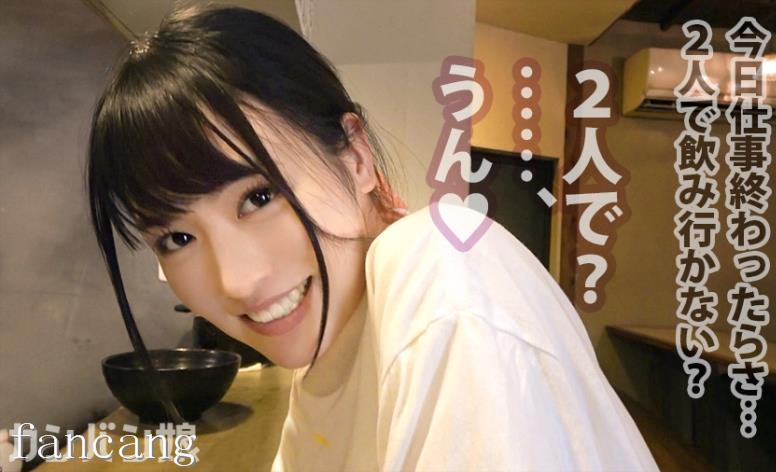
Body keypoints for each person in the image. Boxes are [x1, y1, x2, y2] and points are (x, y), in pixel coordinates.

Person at [87, 5, 659, 471]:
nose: (236, 281)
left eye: (259, 197)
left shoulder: (443, 275)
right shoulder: (333, 346)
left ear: (356, 156)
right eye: (176, 238)